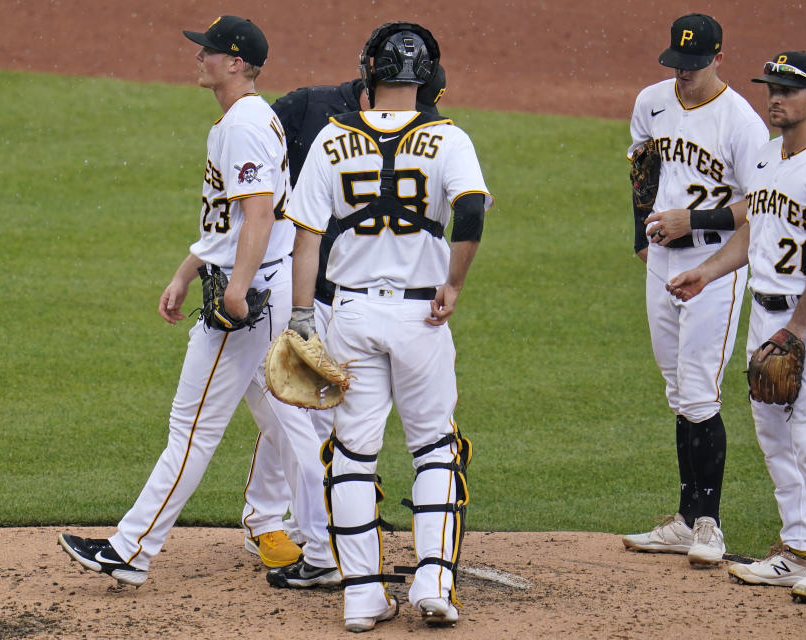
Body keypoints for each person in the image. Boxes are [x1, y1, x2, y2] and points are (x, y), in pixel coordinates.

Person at [57, 15, 332, 587]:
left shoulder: (244, 127)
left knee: (194, 427)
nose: (198, 57)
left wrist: (235, 287)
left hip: (248, 298)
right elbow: (232, 222)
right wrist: (188, 270)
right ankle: (329, 550)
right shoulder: (249, 119)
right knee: (289, 424)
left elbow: (258, 215)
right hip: (264, 285)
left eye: (208, 50)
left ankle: (131, 549)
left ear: (235, 62)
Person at [284, 21, 492, 632]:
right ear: (425, 76)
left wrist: (301, 318)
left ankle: (362, 597)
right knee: (432, 447)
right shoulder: (448, 138)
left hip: (349, 313)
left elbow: (305, 238)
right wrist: (453, 284)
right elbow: (472, 210)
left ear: (370, 70)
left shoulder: (329, 139)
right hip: (420, 314)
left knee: (352, 453)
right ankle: (432, 582)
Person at [664, 51, 806, 603]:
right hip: (765, 313)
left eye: (789, 90)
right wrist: (705, 273)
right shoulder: (766, 158)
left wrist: (798, 327)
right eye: (771, 88)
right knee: (774, 439)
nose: (776, 98)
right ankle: (796, 549)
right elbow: (754, 234)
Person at [241, 69, 447, 580]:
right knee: (289, 408)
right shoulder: (307, 109)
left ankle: (320, 525)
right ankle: (271, 521)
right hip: (294, 284)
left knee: (318, 413)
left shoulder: (424, 131)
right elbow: (248, 180)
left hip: (353, 297)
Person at [620, 13, 768, 567]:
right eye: (677, 65)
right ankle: (684, 520)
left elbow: (760, 203)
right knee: (677, 390)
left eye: (694, 66)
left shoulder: (742, 123)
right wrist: (643, 234)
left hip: (716, 267)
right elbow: (642, 167)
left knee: (700, 392)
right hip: (662, 261)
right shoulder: (651, 101)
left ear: (719, 58)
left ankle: (709, 524)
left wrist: (695, 221)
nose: (683, 76)